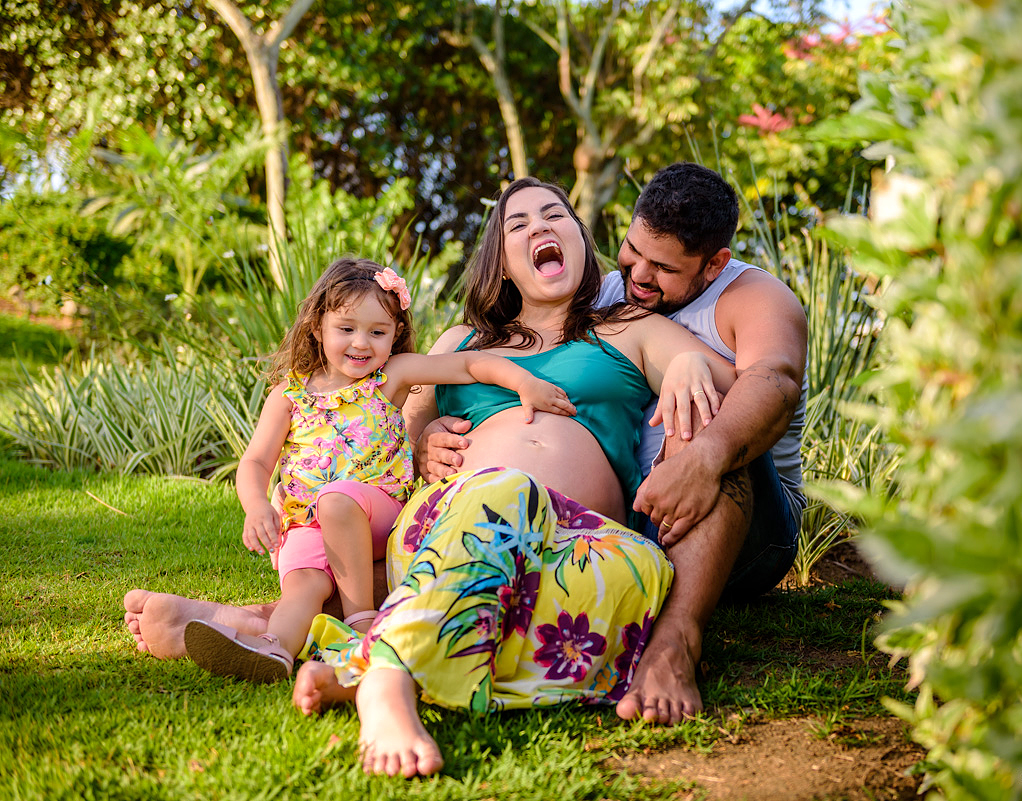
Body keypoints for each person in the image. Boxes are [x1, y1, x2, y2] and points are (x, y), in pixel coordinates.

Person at [123, 178, 736, 777]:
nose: (539, 228)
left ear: (581, 238)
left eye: (554, 215)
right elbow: (398, 437)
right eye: (518, 224)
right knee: (502, 490)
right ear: (502, 263)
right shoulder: (462, 341)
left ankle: (299, 641)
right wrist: (423, 444)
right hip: (458, 521)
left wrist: (688, 363)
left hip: (581, 541)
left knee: (625, 583)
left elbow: (741, 385)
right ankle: (386, 684)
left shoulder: (628, 327)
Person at [416, 162, 809, 726]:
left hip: (732, 511)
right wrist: (426, 437)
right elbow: (396, 423)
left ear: (713, 264)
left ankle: (675, 644)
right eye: (632, 252)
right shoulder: (597, 295)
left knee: (703, 417)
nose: (639, 276)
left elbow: (771, 383)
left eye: (663, 268)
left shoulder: (748, 297)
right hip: (627, 512)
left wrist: (695, 383)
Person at [183, 255, 578, 683]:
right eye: (346, 328)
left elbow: (468, 364)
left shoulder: (390, 376)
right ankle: (273, 649)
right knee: (303, 588)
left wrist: (524, 383)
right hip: (307, 524)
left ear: (396, 334)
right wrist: (257, 505)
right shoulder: (288, 395)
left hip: (377, 514)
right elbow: (256, 461)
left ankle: (362, 627)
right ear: (317, 328)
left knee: (337, 499)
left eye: (377, 332)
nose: (361, 343)